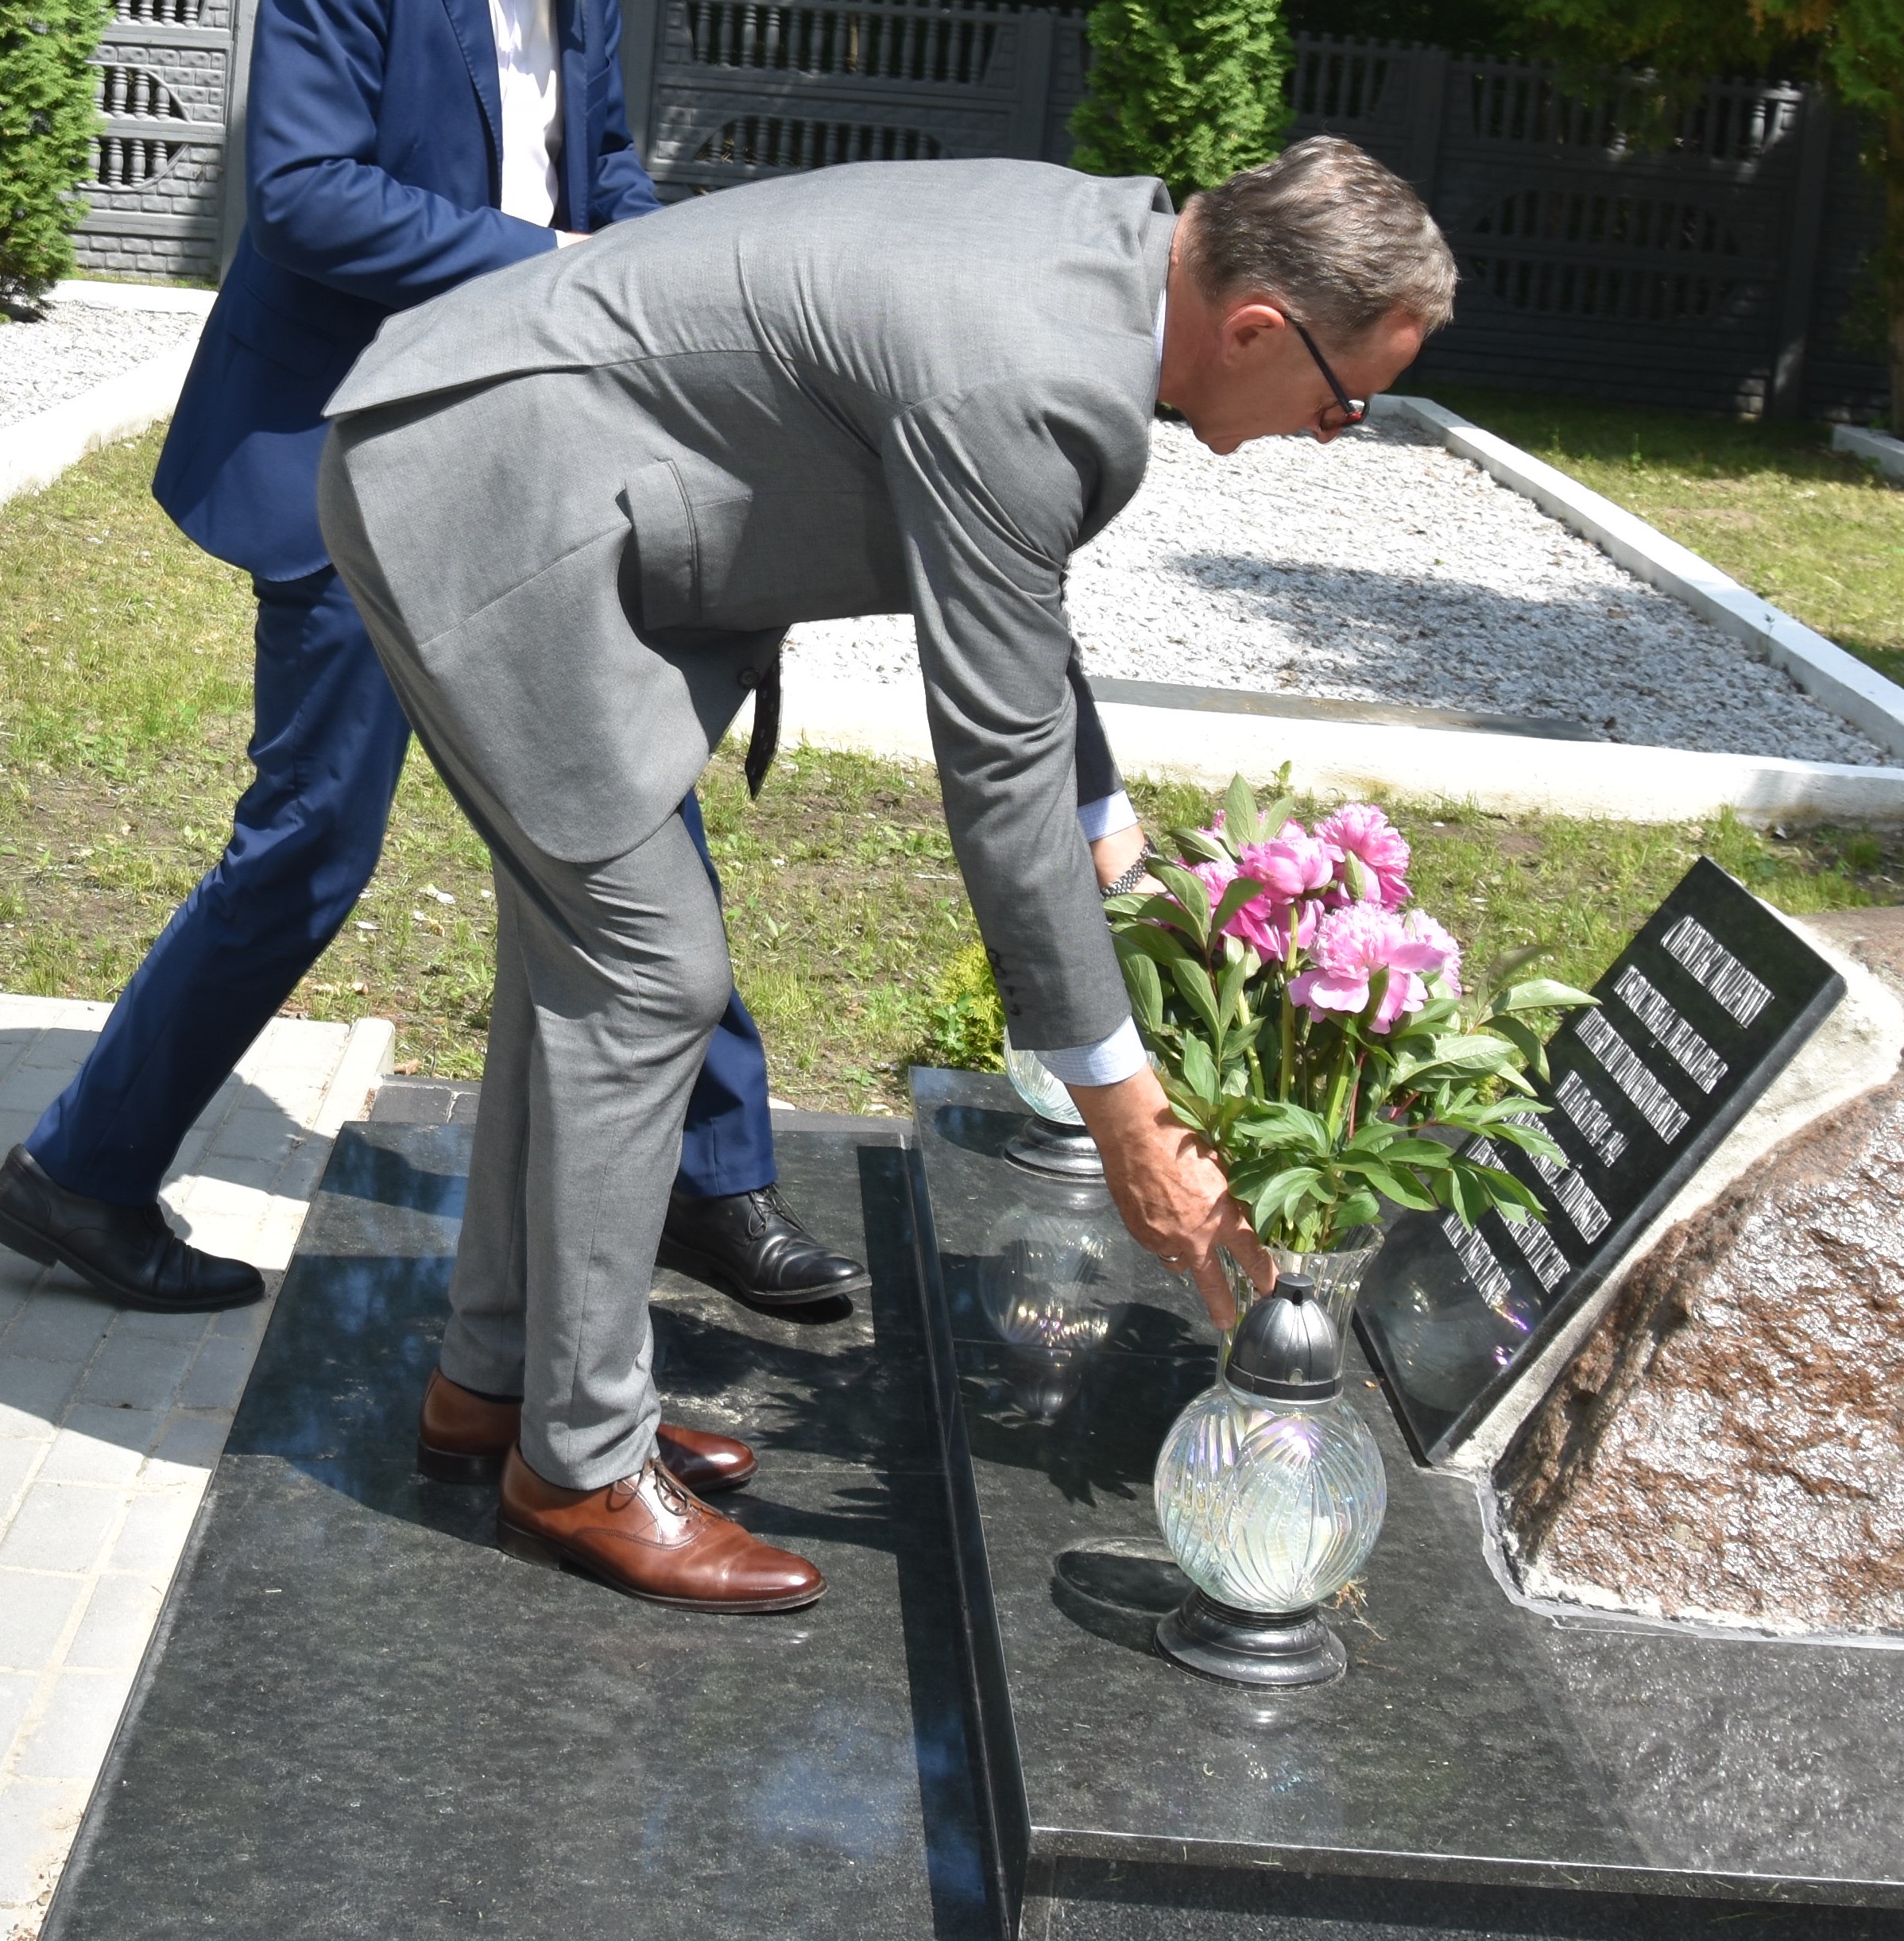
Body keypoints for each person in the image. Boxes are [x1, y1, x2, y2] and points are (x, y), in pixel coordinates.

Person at [315, 135, 1461, 1611]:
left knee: (589, 972)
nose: (1334, 431)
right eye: (1345, 398)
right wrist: (1128, 1117)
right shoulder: (1039, 374)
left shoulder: (1096, 263)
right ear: (1255, 328)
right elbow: (995, 764)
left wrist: (1120, 847)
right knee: (650, 975)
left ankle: (501, 1386)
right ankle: (580, 1464)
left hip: (504, 456)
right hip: (480, 497)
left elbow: (1012, 622)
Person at [0, 0, 866, 1324]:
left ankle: (707, 1180)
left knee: (632, 787)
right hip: (350, 448)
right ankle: (81, 1177)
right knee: (313, 841)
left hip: (522, 442)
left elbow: (600, 167)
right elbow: (306, 194)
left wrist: (686, 276)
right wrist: (553, 266)